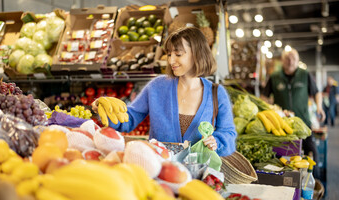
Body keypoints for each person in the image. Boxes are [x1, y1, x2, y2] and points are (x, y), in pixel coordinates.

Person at [92, 27, 237, 156]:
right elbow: (129, 119)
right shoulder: (156, 87)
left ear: (197, 54)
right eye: (169, 54)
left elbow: (228, 133)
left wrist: (217, 141)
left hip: (200, 175)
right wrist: (103, 109)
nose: (171, 60)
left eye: (178, 54)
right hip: (159, 171)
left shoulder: (217, 93)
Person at [262, 48, 325, 165]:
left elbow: (316, 92)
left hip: (303, 123)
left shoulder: (305, 74)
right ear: (282, 60)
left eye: (293, 59)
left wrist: (320, 107)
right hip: (282, 126)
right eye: (287, 58)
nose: (290, 61)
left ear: (297, 61)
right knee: (282, 158)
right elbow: (264, 97)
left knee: (313, 153)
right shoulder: (275, 76)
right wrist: (267, 110)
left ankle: (314, 181)